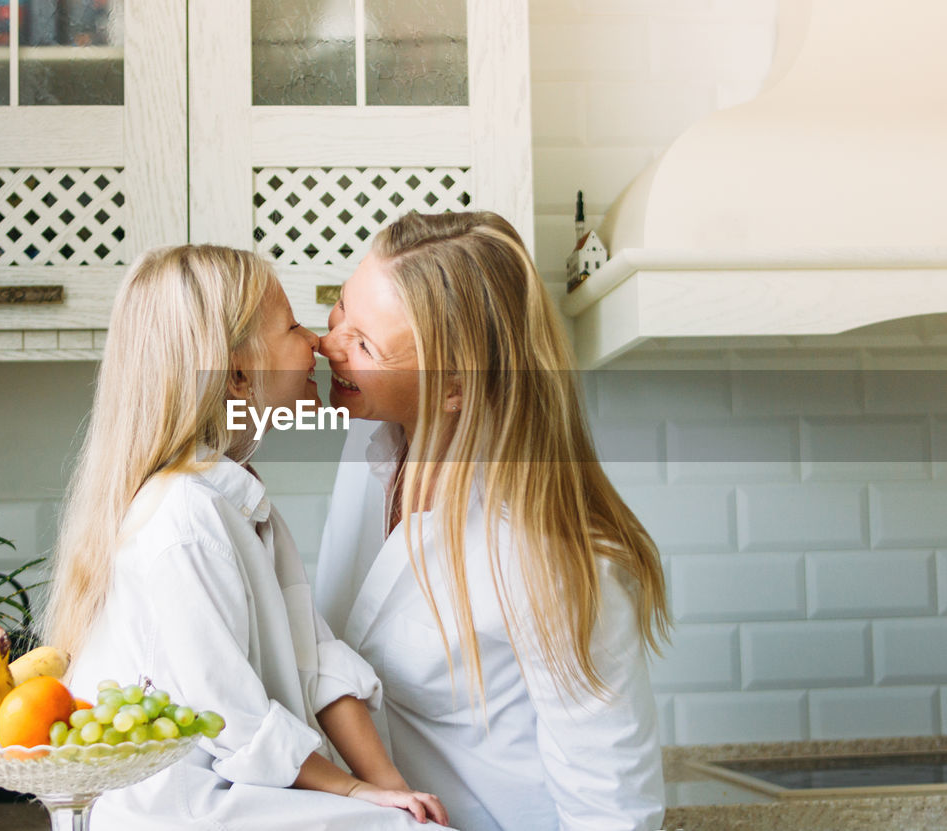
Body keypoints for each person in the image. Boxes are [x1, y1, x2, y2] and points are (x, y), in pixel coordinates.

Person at [43, 245, 449, 830]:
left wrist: (395, 791)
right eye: (290, 327)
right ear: (237, 372)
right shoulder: (182, 517)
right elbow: (232, 716)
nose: (313, 341)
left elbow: (317, 661)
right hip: (187, 811)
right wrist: (356, 791)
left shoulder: (237, 499)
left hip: (238, 789)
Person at [315, 211, 670, 831]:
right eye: (341, 309)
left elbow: (610, 807)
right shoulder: (369, 445)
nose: (329, 344)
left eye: (365, 344)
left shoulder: (551, 555)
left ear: (455, 386)